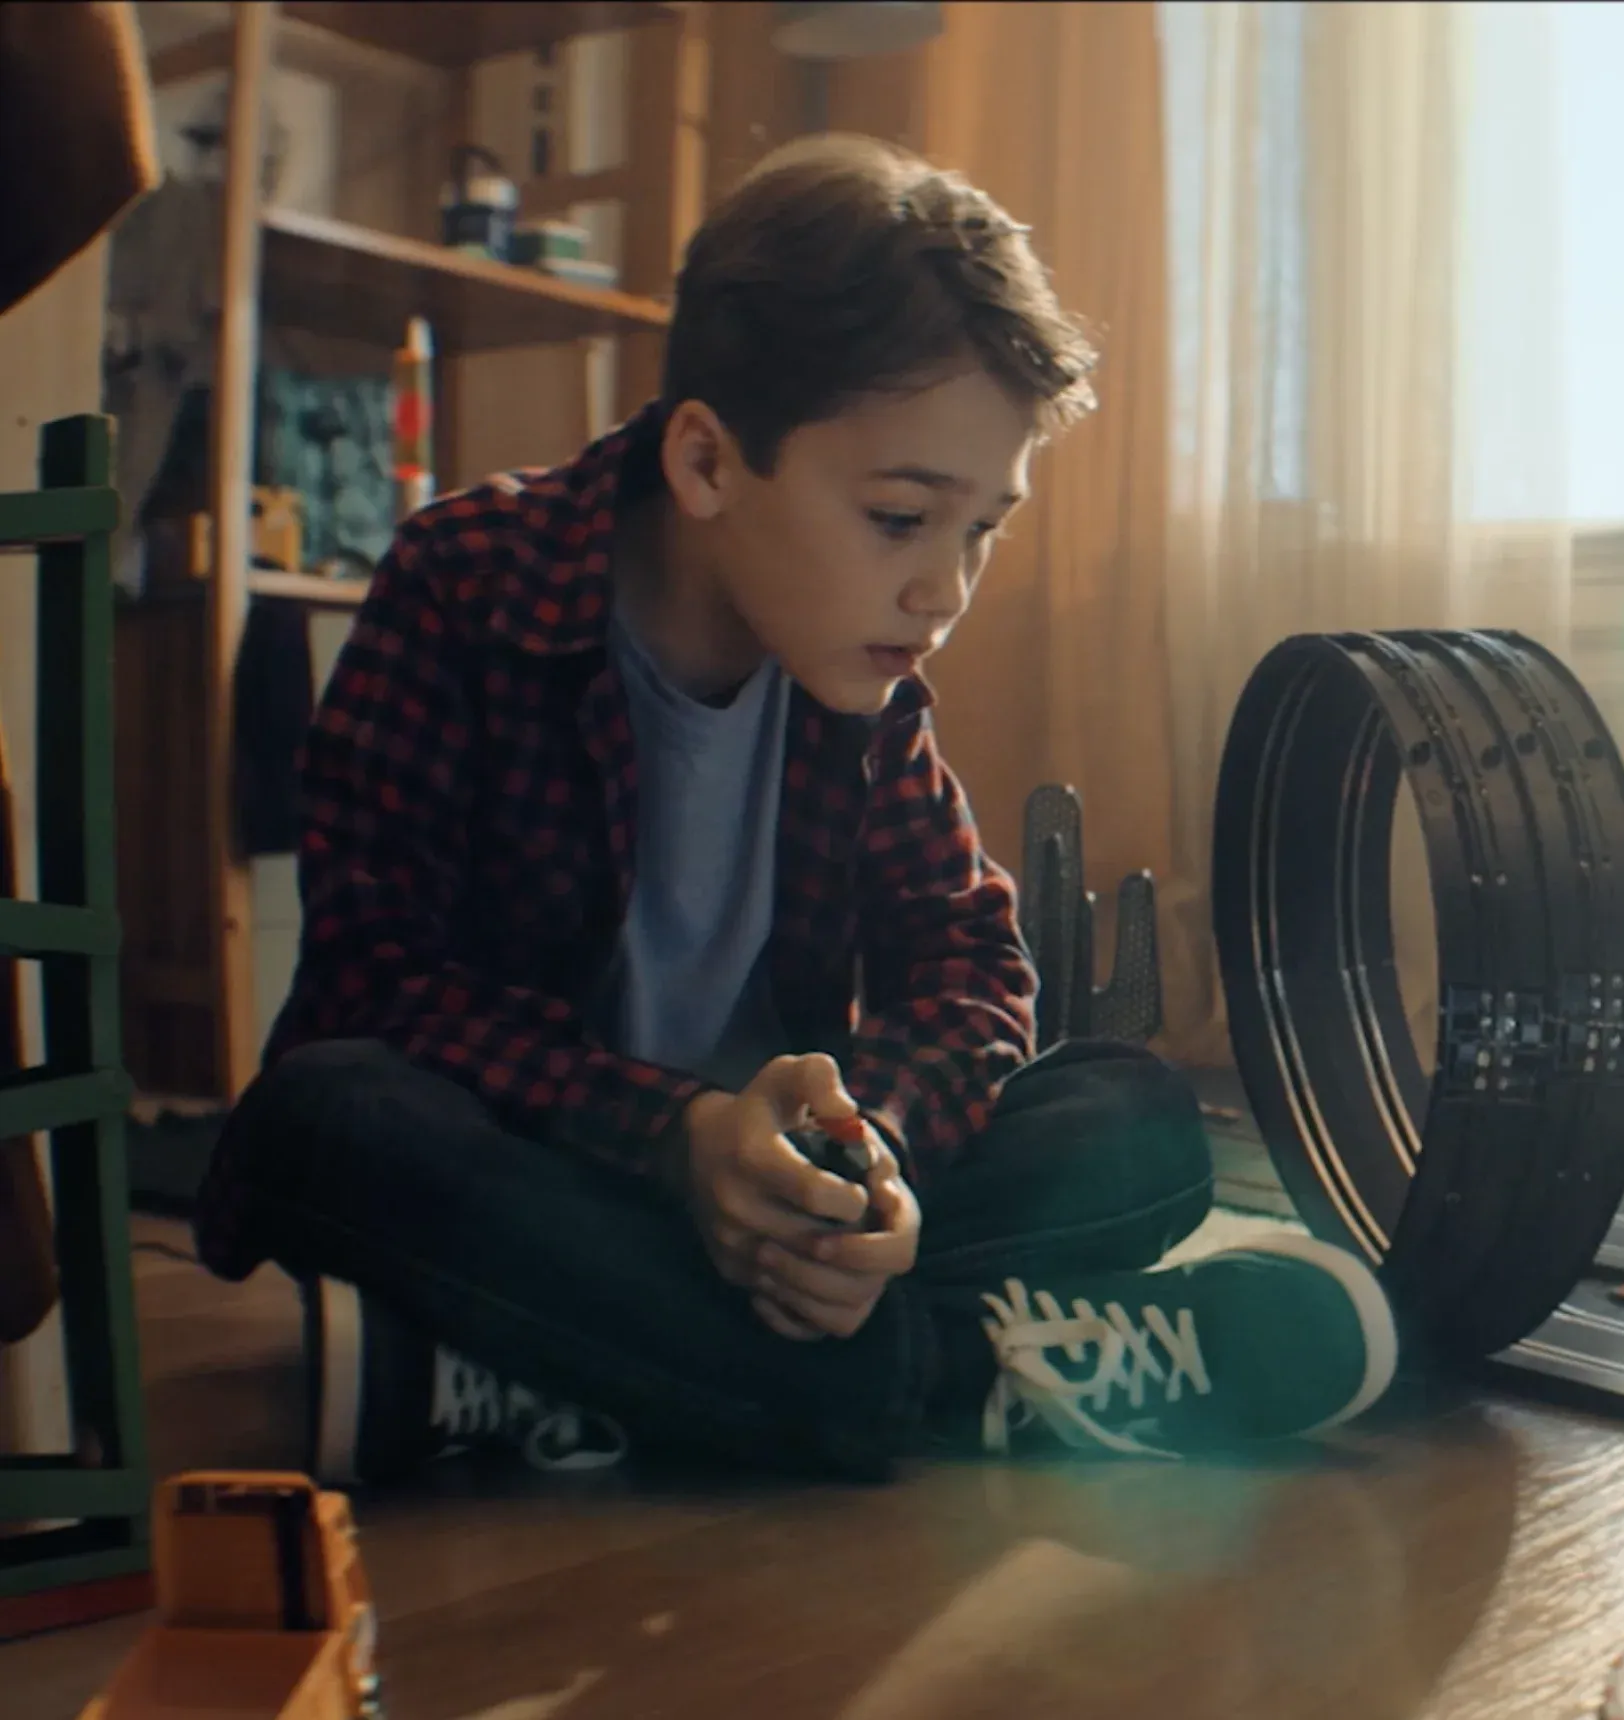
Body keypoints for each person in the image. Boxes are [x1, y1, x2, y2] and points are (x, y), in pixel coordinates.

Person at [190, 134, 1398, 1486]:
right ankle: (967, 1369)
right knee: (332, 1115)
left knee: (1135, 1120)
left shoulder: (864, 668)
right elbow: (376, 982)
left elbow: (971, 966)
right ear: (707, 463)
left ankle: (515, 1375)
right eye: (900, 517)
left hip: (755, 1198)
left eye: (983, 529)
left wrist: (861, 1154)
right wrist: (674, 1139)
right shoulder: (468, 579)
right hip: (548, 1167)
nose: (944, 591)